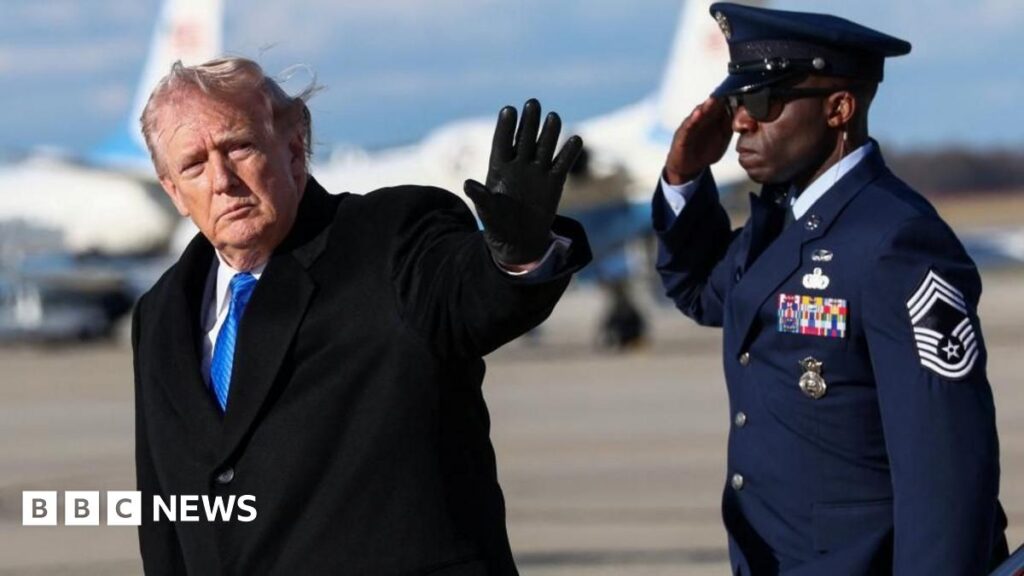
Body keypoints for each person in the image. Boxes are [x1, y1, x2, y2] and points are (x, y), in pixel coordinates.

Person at [132, 57, 590, 575]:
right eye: (193, 164)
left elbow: (473, 296)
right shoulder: (160, 314)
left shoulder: (392, 238)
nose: (222, 180)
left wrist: (513, 256)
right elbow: (164, 514)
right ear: (172, 190)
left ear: (293, 147)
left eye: (240, 147)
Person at [652, 3, 1008, 574]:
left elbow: (945, 463)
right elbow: (699, 290)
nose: (742, 121)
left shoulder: (896, 240)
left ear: (839, 108)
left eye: (765, 102)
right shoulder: (780, 226)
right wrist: (683, 179)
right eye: (738, 103)